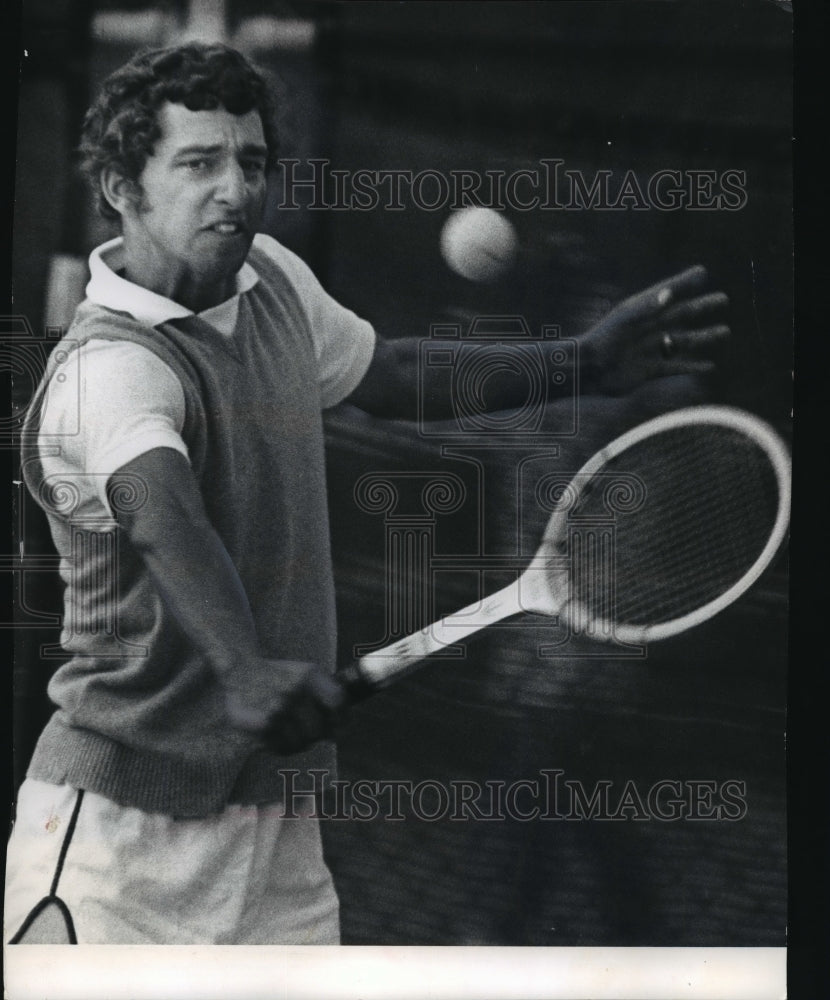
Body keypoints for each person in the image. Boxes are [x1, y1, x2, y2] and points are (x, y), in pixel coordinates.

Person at [5, 42, 730, 945]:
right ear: (120, 185)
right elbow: (162, 512)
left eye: (253, 161)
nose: (235, 189)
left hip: (277, 837)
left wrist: (583, 363)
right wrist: (241, 669)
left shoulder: (268, 278)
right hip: (120, 841)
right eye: (199, 163)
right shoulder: (107, 368)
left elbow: (390, 373)